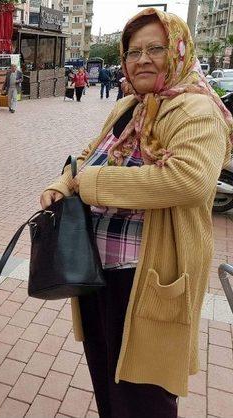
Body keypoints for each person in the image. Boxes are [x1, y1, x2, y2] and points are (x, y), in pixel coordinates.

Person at [40, 8, 232, 418]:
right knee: (108, 378)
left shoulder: (197, 110)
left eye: (155, 49)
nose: (141, 59)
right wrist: (62, 183)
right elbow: (91, 153)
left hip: (149, 274)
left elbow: (187, 180)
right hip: (98, 269)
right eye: (133, 51)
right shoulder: (132, 104)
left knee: (144, 394)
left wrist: (89, 185)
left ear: (178, 51)